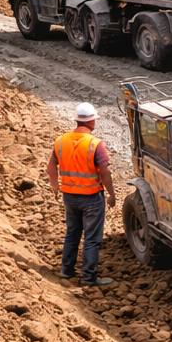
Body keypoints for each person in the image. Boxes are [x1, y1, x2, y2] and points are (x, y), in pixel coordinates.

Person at [46, 103, 116, 286]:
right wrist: (111, 194)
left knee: (72, 233)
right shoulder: (95, 144)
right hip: (92, 197)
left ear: (77, 120)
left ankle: (66, 271)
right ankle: (88, 278)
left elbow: (50, 166)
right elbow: (105, 173)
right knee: (92, 239)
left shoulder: (60, 141)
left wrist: (55, 187)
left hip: (69, 196)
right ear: (92, 121)